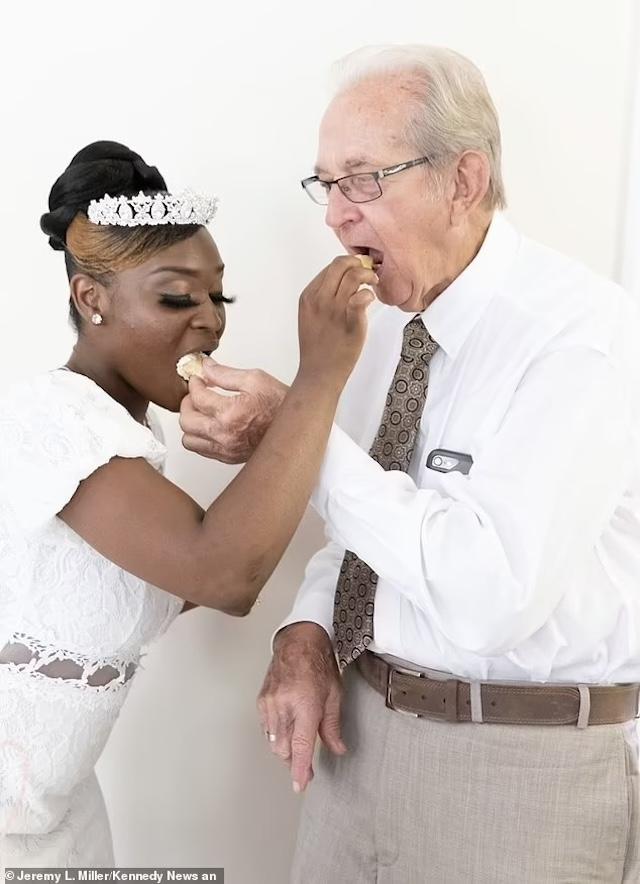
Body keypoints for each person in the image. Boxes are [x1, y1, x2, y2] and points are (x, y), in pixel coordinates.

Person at [180, 46, 640, 881]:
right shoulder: (384, 319)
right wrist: (308, 630)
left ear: (464, 178)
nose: (334, 216)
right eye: (325, 184)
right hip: (358, 739)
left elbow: (490, 596)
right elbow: (366, 520)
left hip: (522, 772)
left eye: (363, 179)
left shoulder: (586, 338)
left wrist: (292, 429)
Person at [0, 140, 378, 865]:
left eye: (217, 297)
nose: (209, 320)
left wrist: (280, 443)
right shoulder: (49, 420)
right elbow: (223, 572)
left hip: (62, 818)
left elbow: (207, 563)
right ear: (92, 298)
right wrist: (321, 375)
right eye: (177, 297)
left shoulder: (124, 439)